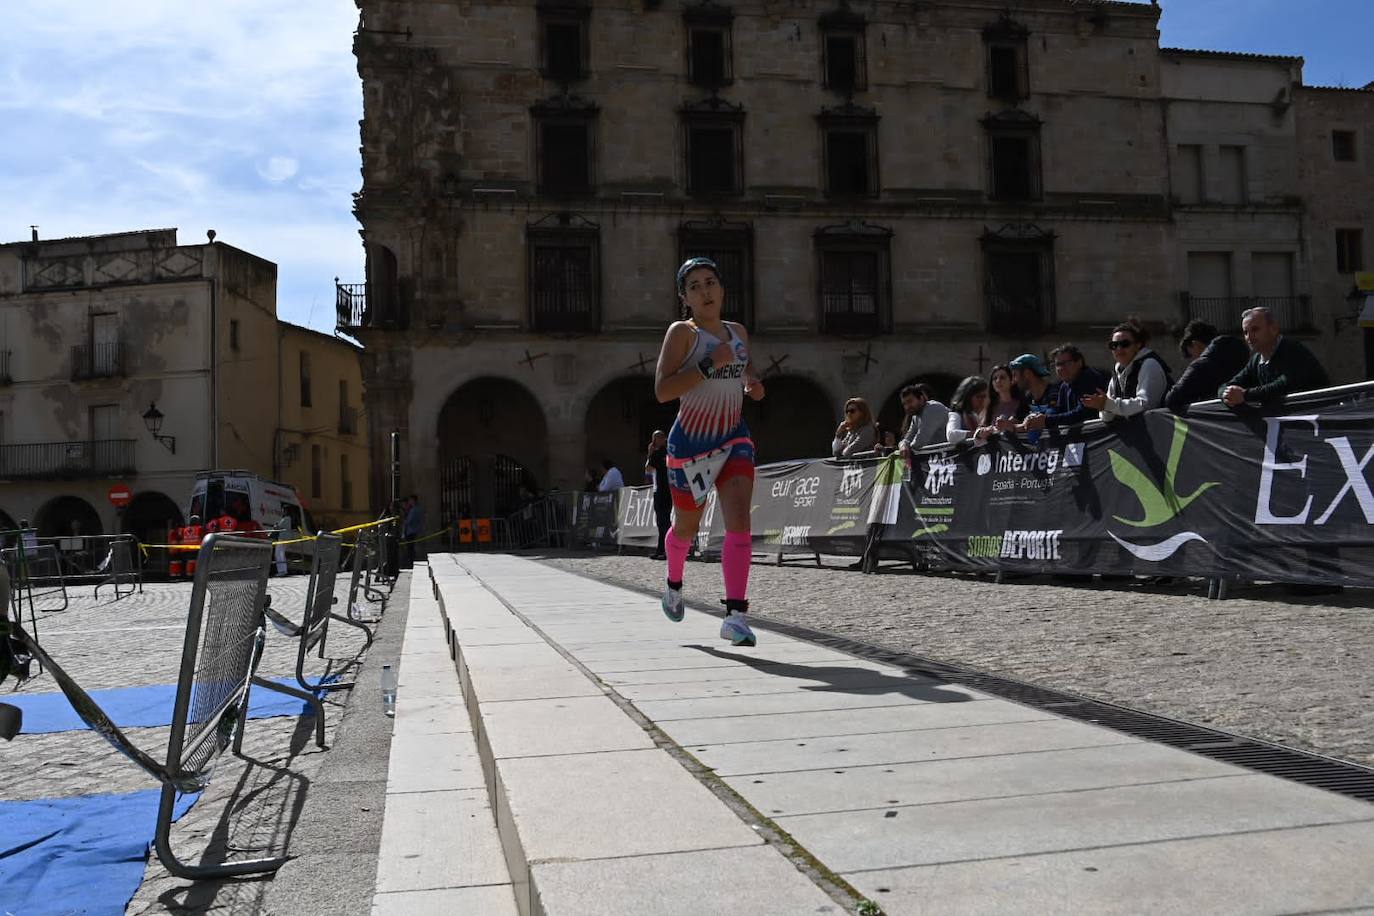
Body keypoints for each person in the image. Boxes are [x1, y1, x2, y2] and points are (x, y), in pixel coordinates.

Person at [654, 257, 765, 647]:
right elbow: (663, 391)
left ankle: (735, 616)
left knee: (739, 520)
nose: (705, 291)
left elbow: (744, 372)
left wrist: (752, 384)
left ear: (722, 289)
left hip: (733, 437)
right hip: (690, 445)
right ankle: (673, 583)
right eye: (695, 286)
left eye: (711, 282)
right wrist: (706, 365)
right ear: (684, 298)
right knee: (687, 528)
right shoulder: (682, 333)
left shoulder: (738, 332)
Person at [1220, 307, 1329, 408]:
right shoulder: (1256, 360)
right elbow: (1231, 384)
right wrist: (1226, 394)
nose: (1249, 337)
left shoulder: (1292, 350)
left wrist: (1245, 395)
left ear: (1274, 329)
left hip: (1320, 412)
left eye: (1255, 329)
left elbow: (1283, 385)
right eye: (1245, 332)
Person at [1082, 319, 1173, 422]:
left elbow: (1146, 404)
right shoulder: (1117, 372)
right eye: (1114, 345)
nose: (1119, 349)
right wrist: (1103, 406)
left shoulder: (1149, 365)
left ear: (1138, 345)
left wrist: (1108, 404)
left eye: (1125, 344)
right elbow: (1107, 418)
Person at [1165, 320, 1250, 413]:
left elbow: (1172, 399)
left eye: (1191, 355)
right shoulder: (1244, 358)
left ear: (1195, 345)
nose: (1193, 360)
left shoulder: (1201, 367)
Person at [1023, 344, 1109, 433]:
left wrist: (1047, 420)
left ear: (1079, 362)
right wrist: (1039, 417)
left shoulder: (1089, 378)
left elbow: (1081, 414)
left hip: (1098, 436)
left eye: (1066, 364)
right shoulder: (1065, 385)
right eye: (1057, 364)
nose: (1061, 368)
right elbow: (1058, 409)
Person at [997, 354, 1056, 435]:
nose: (1013, 381)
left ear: (1027, 373)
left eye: (1015, 375)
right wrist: (1002, 424)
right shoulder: (1028, 397)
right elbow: (1015, 419)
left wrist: (1013, 428)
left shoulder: (1054, 393)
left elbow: (1043, 422)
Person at [896, 384, 950, 458]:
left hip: (956, 456)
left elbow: (921, 440)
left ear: (921, 398)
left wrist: (906, 449)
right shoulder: (915, 417)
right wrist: (903, 445)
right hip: (941, 457)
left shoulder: (932, 408)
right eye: (904, 404)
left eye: (910, 401)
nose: (907, 407)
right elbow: (908, 438)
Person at [945, 376, 998, 446]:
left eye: (984, 396)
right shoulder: (957, 415)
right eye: (978, 397)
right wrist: (977, 433)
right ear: (968, 397)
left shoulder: (983, 416)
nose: (982, 400)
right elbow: (951, 435)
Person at [644, 430, 672, 560]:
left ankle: (665, 550)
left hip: (661, 491)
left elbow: (648, 469)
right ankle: (661, 549)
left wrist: (650, 453)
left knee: (663, 522)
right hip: (667, 490)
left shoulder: (657, 453)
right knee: (664, 521)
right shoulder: (669, 452)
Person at [403, 494, 425, 566]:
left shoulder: (414, 510)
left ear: (413, 500)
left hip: (411, 531)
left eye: (410, 500)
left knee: (411, 548)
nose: (409, 502)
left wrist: (405, 521)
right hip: (415, 530)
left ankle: (411, 562)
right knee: (411, 548)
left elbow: (409, 521)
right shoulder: (417, 509)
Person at [273, 506, 292, 577]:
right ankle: (284, 570)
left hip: (282, 538)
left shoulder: (286, 518)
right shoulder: (288, 518)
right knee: (282, 554)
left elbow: (277, 527)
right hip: (284, 538)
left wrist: (275, 525)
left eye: (283, 510)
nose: (282, 512)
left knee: (278, 554)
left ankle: (281, 571)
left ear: (286, 511)